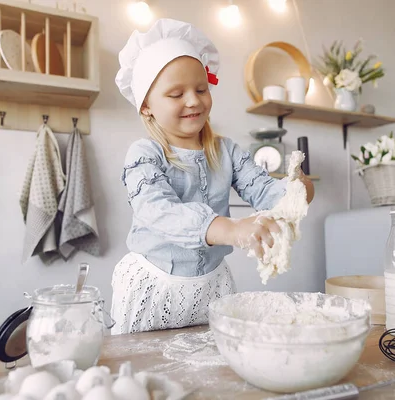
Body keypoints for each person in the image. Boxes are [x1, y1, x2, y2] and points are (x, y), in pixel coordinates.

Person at [111, 18, 314, 335]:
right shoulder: (143, 154)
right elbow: (158, 211)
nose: (193, 100)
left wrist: (295, 192)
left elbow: (263, 191)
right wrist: (228, 228)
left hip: (213, 285)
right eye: (176, 94)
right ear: (146, 106)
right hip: (154, 286)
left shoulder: (226, 151)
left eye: (201, 89)